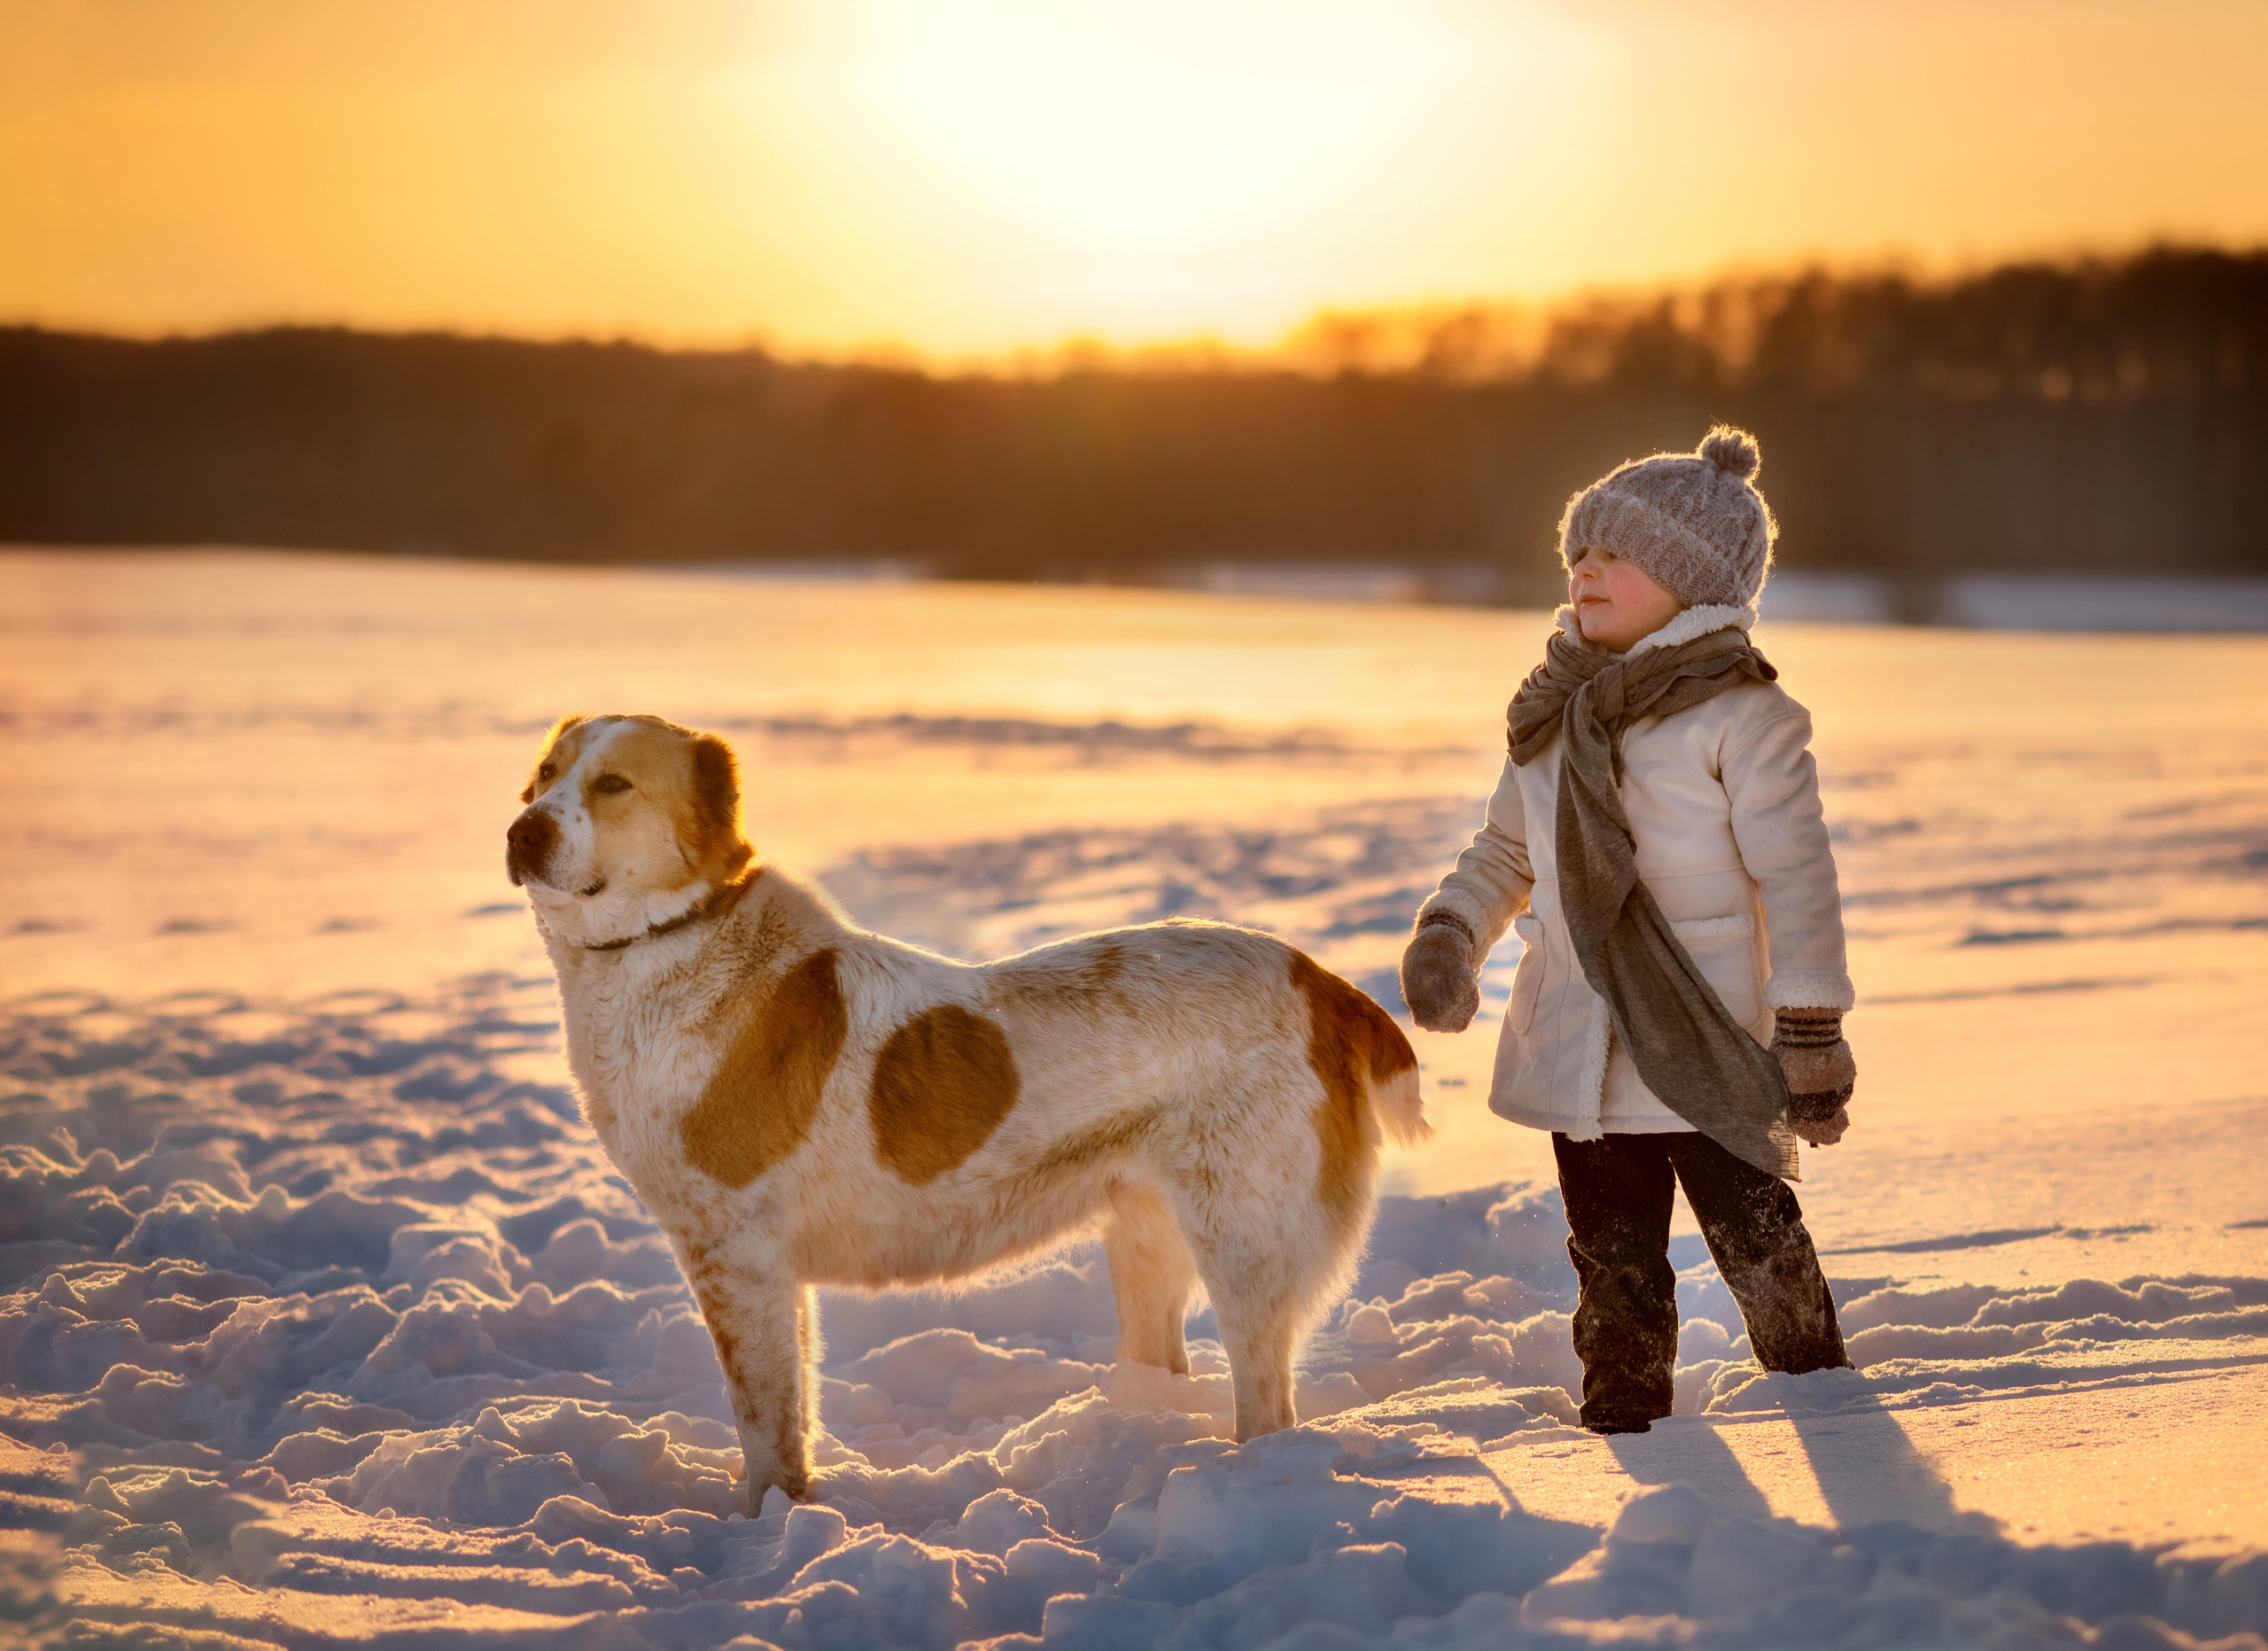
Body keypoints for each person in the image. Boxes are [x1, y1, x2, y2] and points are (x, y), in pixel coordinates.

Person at [1399, 426, 1856, 1435]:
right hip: (1580, 1040)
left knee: (1757, 1238)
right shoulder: (1550, 715)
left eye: (1618, 553)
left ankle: (1823, 1395)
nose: (1586, 569)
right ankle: (1624, 1408)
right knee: (1611, 1256)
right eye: (1579, 551)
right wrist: (1452, 929)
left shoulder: (1743, 715)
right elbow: (1506, 850)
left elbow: (1797, 878)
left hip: (1705, 1040)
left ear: (1692, 586)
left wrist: (1811, 1026)